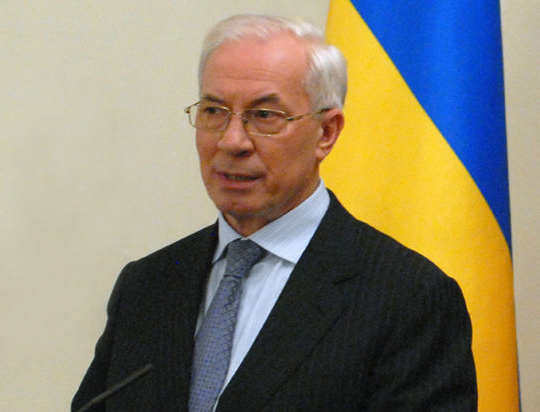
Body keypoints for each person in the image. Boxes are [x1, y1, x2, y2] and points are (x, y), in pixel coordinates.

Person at [72, 14, 477, 411]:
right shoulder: (147, 286)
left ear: (326, 132)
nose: (232, 141)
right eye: (214, 111)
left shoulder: (408, 298)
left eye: (264, 116)